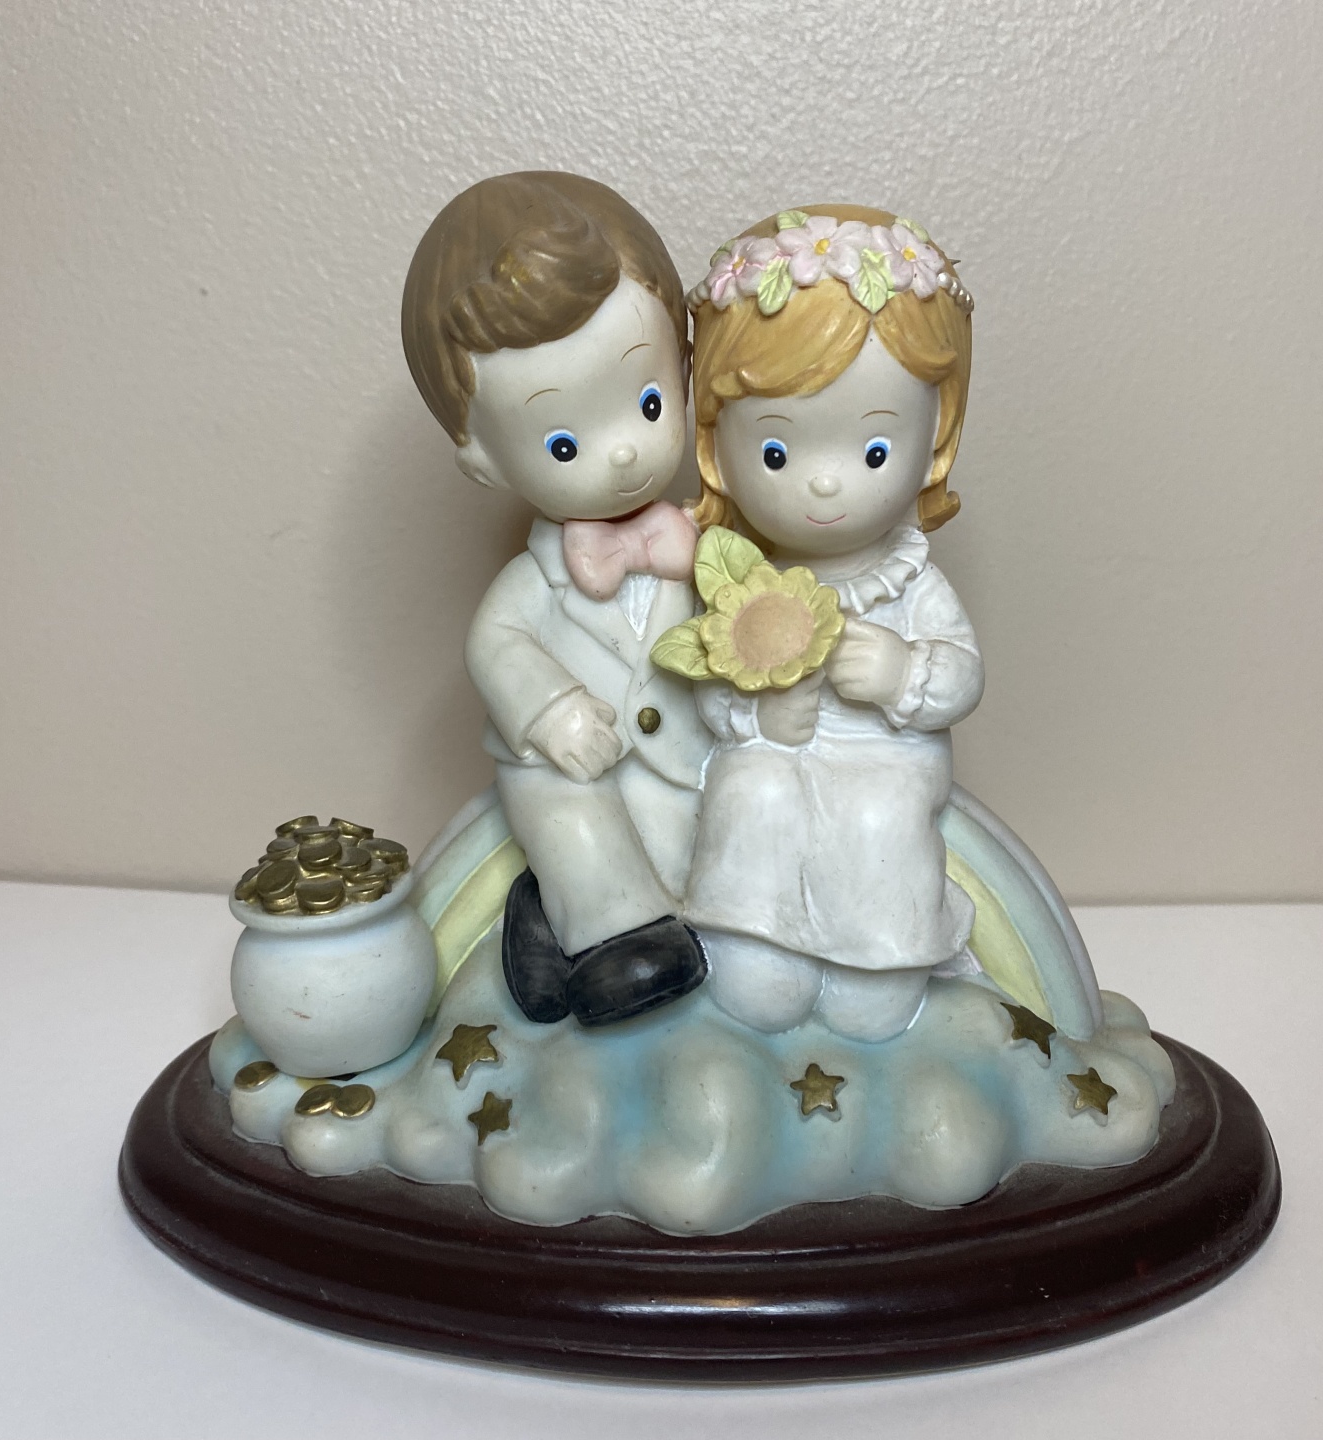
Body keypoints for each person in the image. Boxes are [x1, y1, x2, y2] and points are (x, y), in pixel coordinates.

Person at [401, 172, 711, 1026]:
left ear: (685, 369)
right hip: (572, 763)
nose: (623, 455)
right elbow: (496, 644)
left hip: (688, 759)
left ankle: (547, 924)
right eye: (566, 442)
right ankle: (619, 948)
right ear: (483, 459)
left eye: (648, 402)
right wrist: (551, 712)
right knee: (572, 821)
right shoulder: (534, 584)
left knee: (698, 840)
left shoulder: (706, 547)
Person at [681, 205, 985, 1043]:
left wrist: (903, 675)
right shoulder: (743, 582)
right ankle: (755, 949)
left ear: (934, 440)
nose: (824, 485)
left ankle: (876, 965)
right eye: (777, 452)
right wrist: (756, 718)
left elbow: (962, 674)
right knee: (751, 793)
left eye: (873, 450)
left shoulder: (909, 580)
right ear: (715, 448)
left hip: (885, 764)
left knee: (878, 823)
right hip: (777, 759)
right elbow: (710, 685)